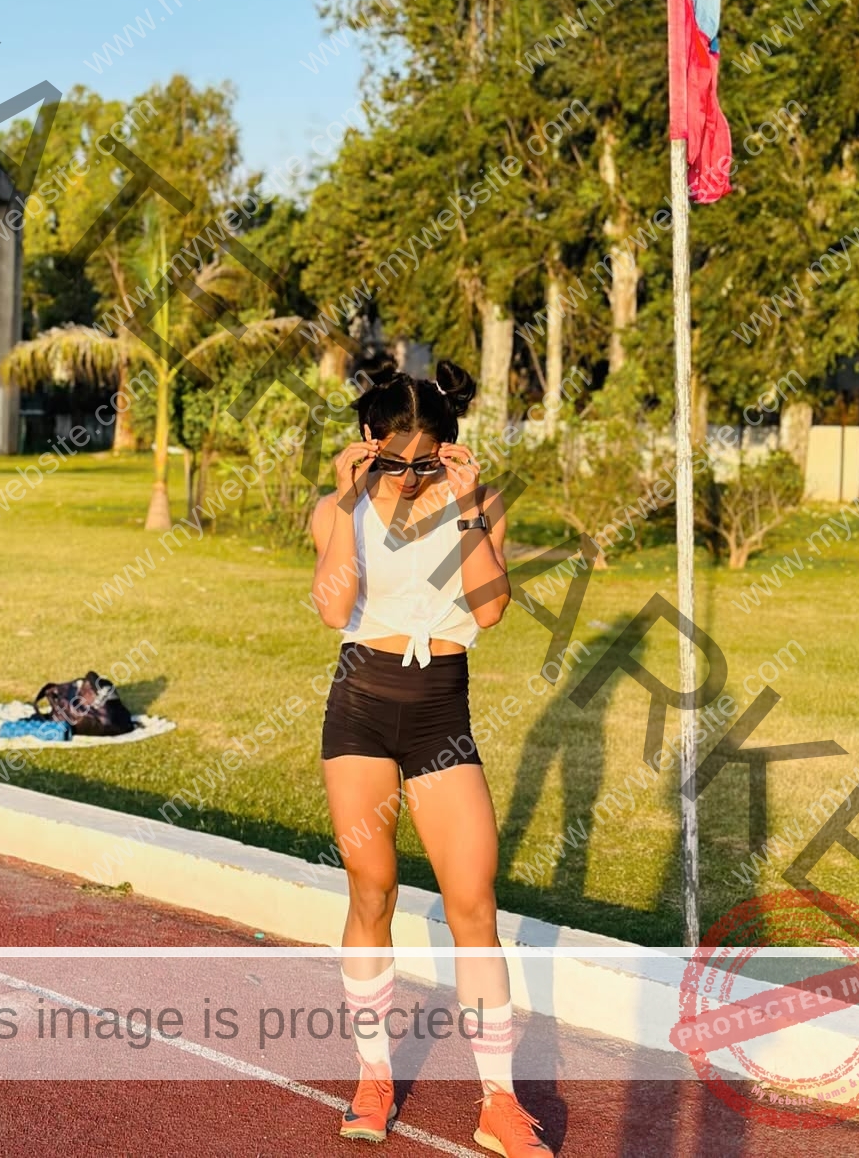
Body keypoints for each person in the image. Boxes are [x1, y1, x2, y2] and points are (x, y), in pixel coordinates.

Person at [310, 355, 553, 1157]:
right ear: (367, 441)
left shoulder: (477, 504)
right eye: (393, 459)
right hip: (361, 705)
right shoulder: (336, 510)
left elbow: (490, 608)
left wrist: (463, 511)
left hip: (441, 710)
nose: (408, 475)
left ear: (450, 450)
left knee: (472, 900)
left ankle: (499, 1102)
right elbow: (333, 606)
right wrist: (350, 503)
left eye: (425, 461)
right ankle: (374, 1075)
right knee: (372, 887)